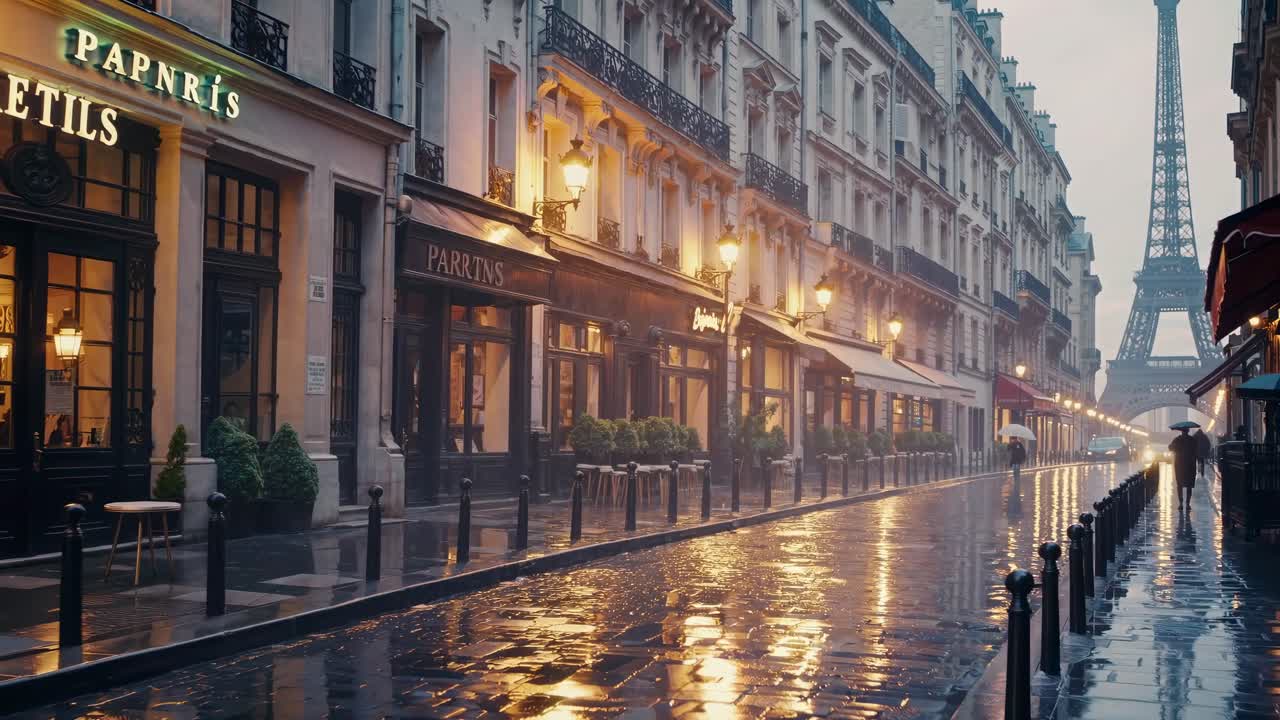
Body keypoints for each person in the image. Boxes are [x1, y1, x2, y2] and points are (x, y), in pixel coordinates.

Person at [1169, 426, 1198, 510]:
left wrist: (1174, 447)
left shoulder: (1177, 440)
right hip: (1190, 464)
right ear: (1188, 431)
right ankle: (1188, 504)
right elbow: (1196, 450)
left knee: (1179, 484)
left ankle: (1181, 503)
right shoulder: (1192, 440)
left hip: (1179, 464)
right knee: (1189, 485)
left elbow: (1170, 448)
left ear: (1181, 431)